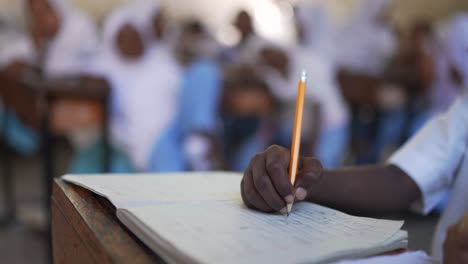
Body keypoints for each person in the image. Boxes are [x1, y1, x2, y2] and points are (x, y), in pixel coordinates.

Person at [76, 3, 182, 173]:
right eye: (124, 38)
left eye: (135, 36)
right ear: (113, 39)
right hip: (118, 144)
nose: (131, 43)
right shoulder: (103, 67)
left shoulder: (160, 62)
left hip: (163, 138)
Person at [148, 20, 223, 171]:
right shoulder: (159, 62)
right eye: (186, 36)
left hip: (194, 130)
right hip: (165, 134)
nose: (189, 42)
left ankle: (198, 139)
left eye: (196, 37)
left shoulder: (204, 68)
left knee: (205, 71)